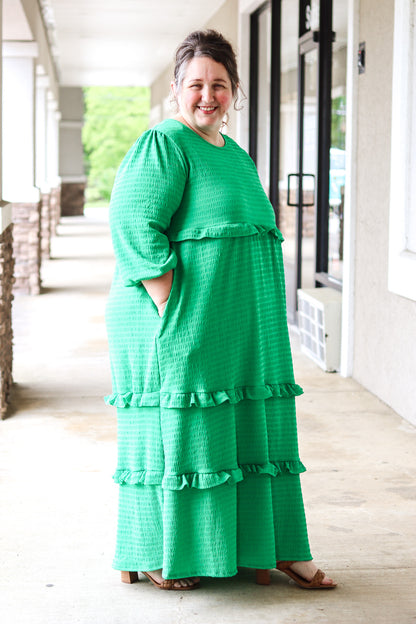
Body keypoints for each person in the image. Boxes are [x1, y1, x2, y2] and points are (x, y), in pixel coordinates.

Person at [105, 29, 337, 591]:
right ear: (175, 90)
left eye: (220, 85)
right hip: (178, 319)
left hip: (236, 326)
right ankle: (157, 552)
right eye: (196, 85)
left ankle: (268, 548)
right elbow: (134, 225)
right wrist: (173, 304)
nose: (208, 95)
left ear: (235, 93)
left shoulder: (232, 153)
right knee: (176, 432)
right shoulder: (165, 142)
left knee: (256, 429)